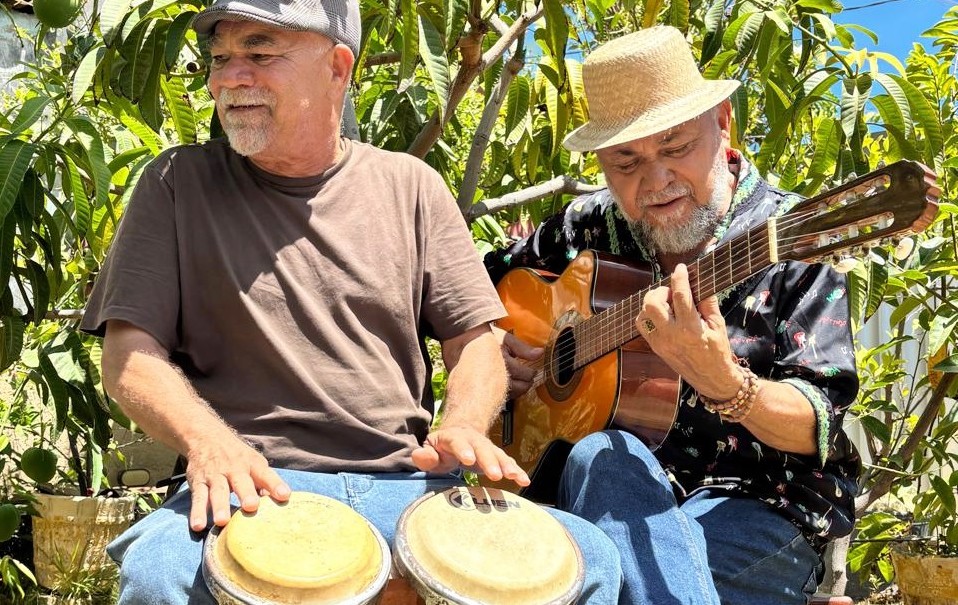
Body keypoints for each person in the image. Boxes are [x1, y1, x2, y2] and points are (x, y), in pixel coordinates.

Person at [80, 1, 622, 602]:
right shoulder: (175, 185)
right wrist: (209, 441)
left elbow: (476, 341)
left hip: (409, 478)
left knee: (591, 560)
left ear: (337, 67)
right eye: (220, 58)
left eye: (259, 54)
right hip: (251, 484)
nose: (228, 78)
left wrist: (464, 423)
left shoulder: (411, 186)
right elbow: (130, 354)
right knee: (160, 577)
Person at [485, 26, 862, 605]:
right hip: (594, 490)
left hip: (758, 505)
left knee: (578, 568)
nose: (654, 180)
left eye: (675, 147)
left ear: (723, 122)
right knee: (605, 457)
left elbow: (820, 425)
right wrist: (499, 353)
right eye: (626, 160)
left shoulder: (792, 242)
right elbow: (475, 289)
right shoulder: (583, 229)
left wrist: (728, 386)